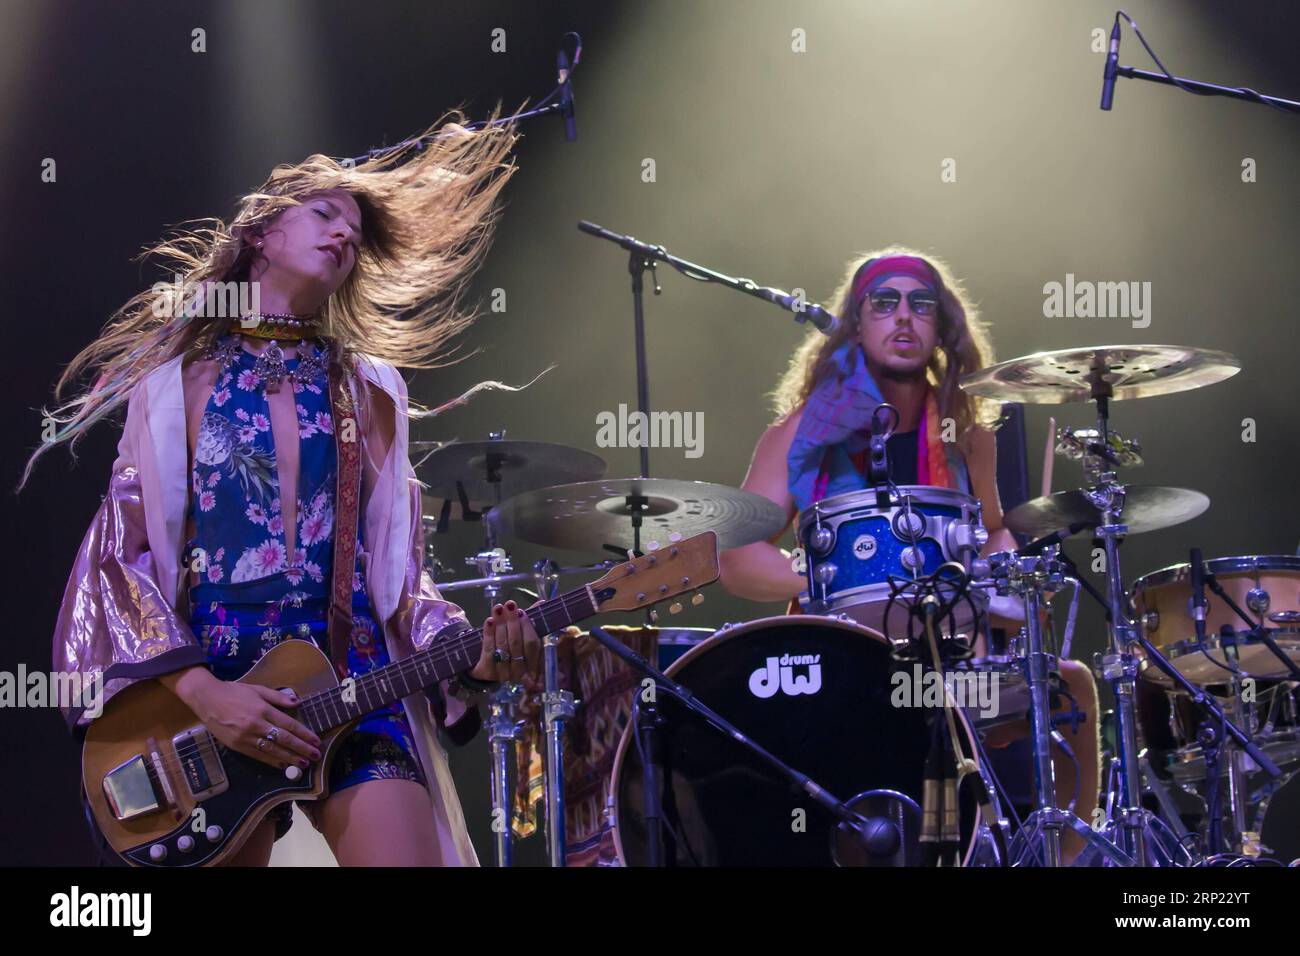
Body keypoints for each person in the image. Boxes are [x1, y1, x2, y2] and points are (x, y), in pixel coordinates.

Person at [30, 112, 541, 867]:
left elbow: (398, 574)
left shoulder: (372, 390)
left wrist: (467, 653)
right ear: (263, 233)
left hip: (358, 679)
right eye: (325, 213)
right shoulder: (176, 388)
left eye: (355, 233)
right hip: (214, 689)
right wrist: (205, 695)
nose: (343, 235)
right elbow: (122, 560)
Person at [719, 248, 1101, 862]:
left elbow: (995, 528)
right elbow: (737, 556)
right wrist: (823, 576)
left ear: (942, 326)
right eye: (885, 303)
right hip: (844, 668)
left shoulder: (967, 431)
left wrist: (1012, 577)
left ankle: (1061, 859)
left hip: (947, 673)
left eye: (921, 305)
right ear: (857, 321)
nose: (904, 318)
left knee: (1071, 684)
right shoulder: (800, 434)